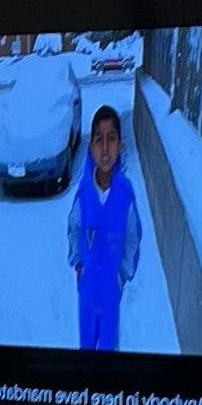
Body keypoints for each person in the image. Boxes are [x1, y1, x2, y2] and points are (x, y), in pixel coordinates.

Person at [67, 105, 142, 351]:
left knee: (109, 346)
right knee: (86, 345)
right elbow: (74, 227)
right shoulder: (85, 192)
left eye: (112, 139)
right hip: (87, 289)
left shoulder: (124, 193)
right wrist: (78, 263)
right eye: (99, 140)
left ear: (120, 144)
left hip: (111, 288)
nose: (106, 148)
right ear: (91, 147)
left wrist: (122, 275)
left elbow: (133, 237)